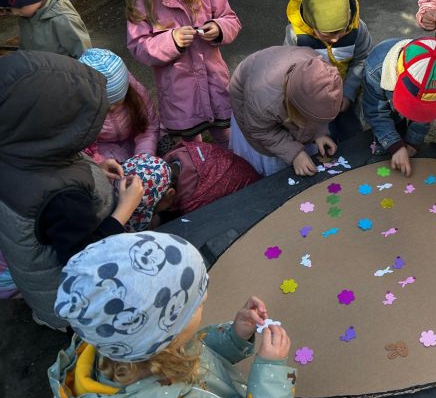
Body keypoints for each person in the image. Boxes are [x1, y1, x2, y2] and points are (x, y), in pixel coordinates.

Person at [48, 231, 296, 398]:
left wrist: (235, 336)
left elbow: (194, 349)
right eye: (198, 305)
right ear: (168, 331)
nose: (203, 303)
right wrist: (270, 374)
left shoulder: (130, 347)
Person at [0, 51, 145, 330]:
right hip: (75, 307)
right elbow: (88, 262)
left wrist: (93, 167)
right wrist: (124, 209)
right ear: (54, 127)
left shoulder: (15, 149)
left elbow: (48, 169)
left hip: (39, 285)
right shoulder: (60, 199)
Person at [126, 0, 241, 149]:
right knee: (192, 144)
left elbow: (231, 19)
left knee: (226, 134)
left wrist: (218, 28)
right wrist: (172, 40)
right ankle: (202, 172)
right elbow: (139, 46)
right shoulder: (143, 1)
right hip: (179, 92)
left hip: (213, 80)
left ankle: (235, 169)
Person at [283, 0, 372, 141]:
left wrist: (348, 93)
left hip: (346, 96)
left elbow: (363, 59)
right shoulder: (296, 36)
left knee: (351, 135)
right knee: (320, 141)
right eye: (328, 34)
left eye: (342, 30)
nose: (335, 39)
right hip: (312, 102)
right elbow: (289, 71)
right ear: (310, 21)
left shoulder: (357, 28)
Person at [229, 47, 343, 177]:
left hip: (274, 73)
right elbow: (262, 131)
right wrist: (295, 154)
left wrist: (319, 133)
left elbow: (317, 109)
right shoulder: (264, 101)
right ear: (295, 106)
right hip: (252, 102)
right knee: (275, 160)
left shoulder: (324, 73)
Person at [363, 37, 436, 177]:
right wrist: (395, 146)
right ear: (399, 76)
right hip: (384, 101)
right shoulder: (376, 68)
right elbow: (376, 113)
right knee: (391, 134)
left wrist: (413, 142)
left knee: (406, 138)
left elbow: (425, 114)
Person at [79, 48, 160, 164]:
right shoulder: (77, 108)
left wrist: (142, 157)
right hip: (101, 150)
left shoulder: (136, 93)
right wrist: (101, 163)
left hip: (135, 141)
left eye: (116, 102)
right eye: (104, 107)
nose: (111, 108)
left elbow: (149, 127)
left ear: (126, 90)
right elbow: (82, 147)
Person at [162, 139, 262, 216]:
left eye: (152, 210)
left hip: (254, 202)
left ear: (170, 193)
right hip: (246, 175)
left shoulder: (195, 202)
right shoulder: (183, 153)